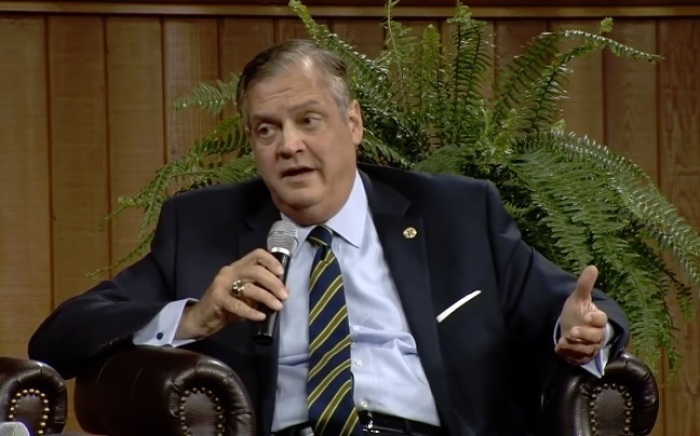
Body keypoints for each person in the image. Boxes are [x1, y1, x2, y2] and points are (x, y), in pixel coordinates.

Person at [28, 39, 629, 436]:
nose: (288, 145)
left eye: (308, 120)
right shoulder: (203, 228)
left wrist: (580, 329)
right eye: (267, 129)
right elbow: (58, 337)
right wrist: (196, 317)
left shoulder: (456, 212)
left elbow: (574, 308)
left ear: (353, 123)